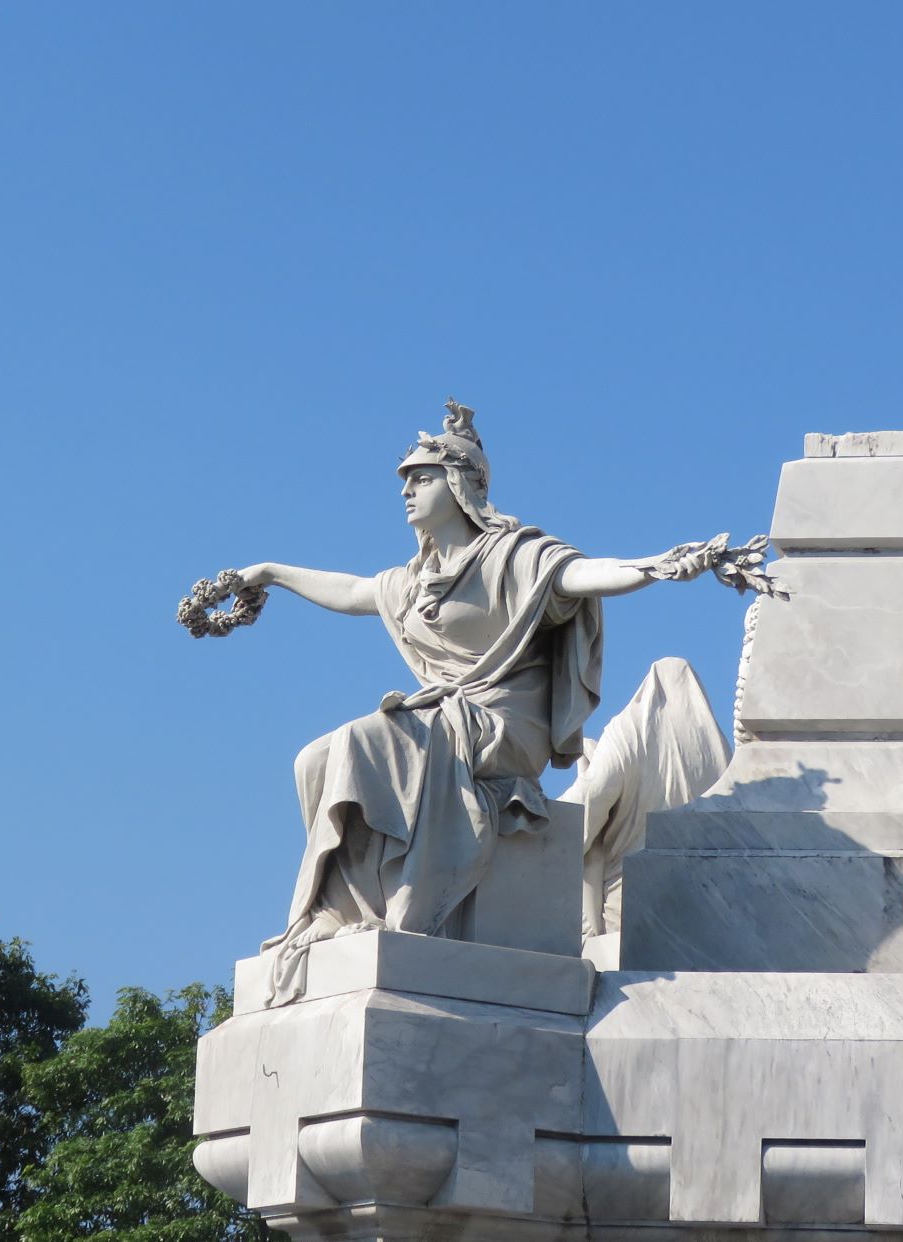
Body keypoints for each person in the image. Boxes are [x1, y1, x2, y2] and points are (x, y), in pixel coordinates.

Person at [238, 401, 726, 1003]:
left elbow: (580, 576)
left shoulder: (513, 556)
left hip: (504, 723)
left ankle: (395, 909)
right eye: (406, 479)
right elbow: (354, 591)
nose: (407, 490)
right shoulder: (414, 581)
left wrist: (655, 566)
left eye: (421, 476)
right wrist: (271, 572)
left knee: (367, 743)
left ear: (462, 484)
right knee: (314, 760)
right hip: (444, 716)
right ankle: (340, 911)